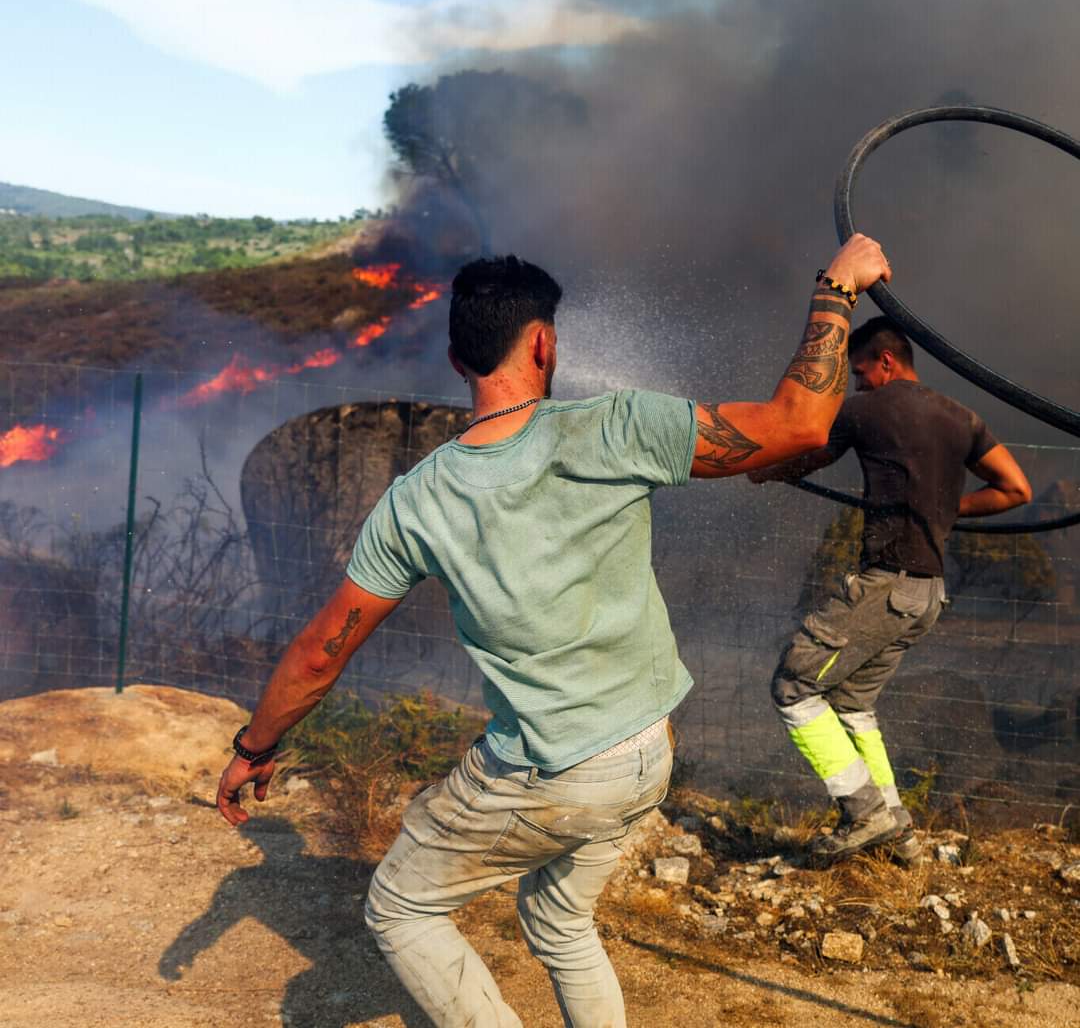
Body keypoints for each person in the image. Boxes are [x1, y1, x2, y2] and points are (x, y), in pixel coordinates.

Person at [216, 234, 891, 1028]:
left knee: (400, 908)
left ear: (457, 360)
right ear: (543, 342)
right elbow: (798, 424)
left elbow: (319, 657)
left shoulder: (414, 502)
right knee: (559, 920)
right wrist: (838, 289)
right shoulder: (614, 427)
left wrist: (253, 749)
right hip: (646, 750)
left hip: (554, 769)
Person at [750, 315, 1032, 867]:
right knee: (853, 703)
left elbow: (807, 446)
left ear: (885, 362)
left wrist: (765, 469)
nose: (856, 385)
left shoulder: (865, 411)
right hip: (926, 596)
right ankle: (898, 831)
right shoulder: (963, 417)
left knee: (793, 685)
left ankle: (864, 812)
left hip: (887, 585)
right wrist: (948, 513)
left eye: (859, 373)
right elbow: (1016, 488)